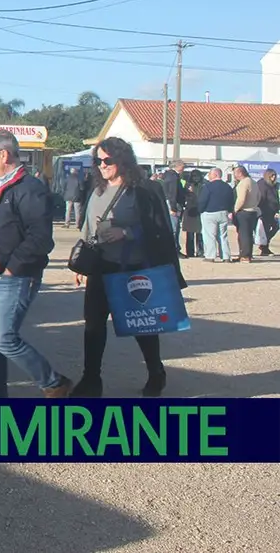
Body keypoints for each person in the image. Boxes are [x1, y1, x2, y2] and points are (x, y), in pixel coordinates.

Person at [71, 137, 184, 397]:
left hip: (132, 269)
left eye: (107, 160)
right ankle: (91, 380)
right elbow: (88, 226)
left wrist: (127, 232)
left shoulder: (143, 190)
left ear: (123, 160)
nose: (102, 165)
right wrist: (82, 265)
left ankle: (156, 373)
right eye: (98, 160)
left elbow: (158, 229)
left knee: (141, 327)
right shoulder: (97, 189)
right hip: (100, 266)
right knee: (93, 325)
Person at [0, 129, 71, 398]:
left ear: (4, 154)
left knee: (4, 338)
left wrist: (12, 268)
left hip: (13, 277)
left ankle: (54, 383)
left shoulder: (29, 189)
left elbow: (40, 238)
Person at [197, 168, 234, 263]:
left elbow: (203, 200)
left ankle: (210, 256)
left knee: (209, 235)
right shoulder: (227, 187)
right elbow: (231, 200)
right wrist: (229, 211)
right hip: (223, 213)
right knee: (223, 235)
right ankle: (226, 256)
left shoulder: (208, 187)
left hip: (209, 213)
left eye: (210, 174)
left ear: (216, 174)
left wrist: (200, 210)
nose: (208, 176)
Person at [231, 165, 260, 263]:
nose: (234, 175)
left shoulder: (243, 183)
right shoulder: (253, 182)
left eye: (235, 173)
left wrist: (235, 209)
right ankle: (248, 255)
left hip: (244, 211)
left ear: (240, 173)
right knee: (249, 234)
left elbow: (241, 199)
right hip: (253, 211)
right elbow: (259, 196)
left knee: (243, 234)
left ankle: (245, 256)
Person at [259, 168, 278, 256]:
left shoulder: (273, 185)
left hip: (272, 211)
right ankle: (264, 247)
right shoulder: (262, 184)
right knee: (265, 230)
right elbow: (261, 198)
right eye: (272, 176)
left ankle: (264, 244)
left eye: (275, 176)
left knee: (275, 227)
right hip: (265, 211)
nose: (273, 177)